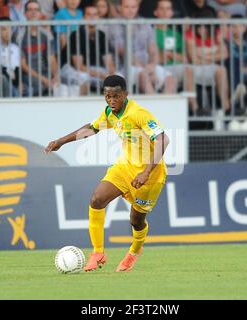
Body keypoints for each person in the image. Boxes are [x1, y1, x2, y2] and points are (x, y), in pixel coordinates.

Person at [45, 75, 169, 272]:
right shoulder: (110, 113)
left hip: (150, 176)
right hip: (124, 167)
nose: (112, 100)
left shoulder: (138, 114)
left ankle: (134, 252)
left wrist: (146, 173)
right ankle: (98, 252)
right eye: (108, 96)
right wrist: (61, 141)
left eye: (116, 96)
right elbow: (91, 128)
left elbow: (163, 139)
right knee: (97, 200)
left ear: (125, 95)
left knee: (136, 220)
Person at [108, 0, 176, 94]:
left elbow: (153, 48)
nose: (130, 10)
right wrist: (144, 67)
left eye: (133, 7)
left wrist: (152, 64)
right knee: (143, 75)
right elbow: (122, 51)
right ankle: (154, 106)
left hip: (147, 65)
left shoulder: (144, 23)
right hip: (126, 67)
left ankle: (166, 105)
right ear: (120, 8)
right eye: (127, 7)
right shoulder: (114, 25)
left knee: (170, 78)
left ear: (137, 8)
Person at [153, 0, 198, 113]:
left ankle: (194, 109)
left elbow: (185, 59)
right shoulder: (150, 31)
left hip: (175, 68)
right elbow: (157, 58)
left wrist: (169, 54)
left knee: (188, 69)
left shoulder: (175, 34)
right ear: (156, 12)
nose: (164, 12)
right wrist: (170, 56)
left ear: (171, 13)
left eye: (168, 9)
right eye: (161, 9)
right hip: (158, 69)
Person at [60, 3, 115, 93]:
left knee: (118, 79)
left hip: (93, 69)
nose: (92, 17)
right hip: (70, 69)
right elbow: (79, 66)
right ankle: (82, 106)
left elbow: (109, 62)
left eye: (95, 15)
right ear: (83, 18)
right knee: (84, 78)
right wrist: (101, 75)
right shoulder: (76, 35)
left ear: (98, 17)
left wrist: (111, 75)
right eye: (89, 14)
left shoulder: (101, 35)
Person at [17, 0, 67, 96]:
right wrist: (44, 80)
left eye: (36, 9)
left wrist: (56, 76)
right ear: (25, 14)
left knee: (63, 86)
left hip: (46, 73)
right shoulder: (19, 35)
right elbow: (23, 65)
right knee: (39, 87)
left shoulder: (46, 34)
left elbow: (51, 59)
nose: (33, 12)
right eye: (30, 9)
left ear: (40, 13)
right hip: (28, 75)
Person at [0, 17, 23, 96]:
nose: (8, 32)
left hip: (14, 80)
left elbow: (17, 68)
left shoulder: (15, 47)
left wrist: (19, 83)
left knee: (29, 90)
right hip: (2, 80)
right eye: (4, 29)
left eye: (10, 29)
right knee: (15, 92)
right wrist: (16, 83)